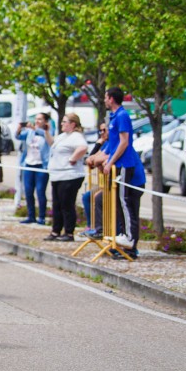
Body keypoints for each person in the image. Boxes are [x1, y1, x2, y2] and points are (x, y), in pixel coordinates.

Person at [94, 86, 146, 255]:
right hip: (119, 163)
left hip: (125, 163)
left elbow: (124, 142)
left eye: (105, 97)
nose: (104, 100)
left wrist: (110, 162)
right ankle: (124, 234)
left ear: (111, 98)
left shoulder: (122, 116)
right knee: (119, 201)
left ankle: (130, 238)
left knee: (125, 200)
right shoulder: (115, 117)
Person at [45, 113, 88, 241]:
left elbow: (83, 147)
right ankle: (56, 230)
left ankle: (69, 232)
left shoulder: (76, 136)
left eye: (65, 122)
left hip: (69, 175)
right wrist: (47, 132)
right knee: (57, 204)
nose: (62, 124)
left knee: (66, 204)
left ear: (73, 124)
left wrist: (73, 158)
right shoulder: (63, 136)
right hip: (57, 174)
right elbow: (52, 144)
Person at [15, 114, 52, 224]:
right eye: (36, 119)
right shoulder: (30, 132)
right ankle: (31, 216)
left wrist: (35, 128)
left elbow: (49, 139)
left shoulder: (47, 131)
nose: (37, 121)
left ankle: (42, 217)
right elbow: (18, 137)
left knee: (40, 191)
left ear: (45, 121)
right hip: (28, 164)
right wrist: (19, 128)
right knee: (28, 191)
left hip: (41, 165)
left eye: (40, 119)